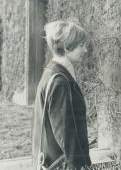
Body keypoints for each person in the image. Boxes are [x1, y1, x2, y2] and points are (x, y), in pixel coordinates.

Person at [32, 20, 91, 170]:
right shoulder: (60, 81)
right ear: (66, 47)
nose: (85, 50)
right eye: (81, 45)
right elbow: (66, 135)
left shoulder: (50, 72)